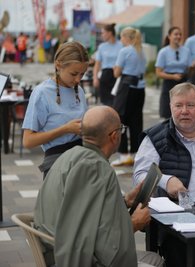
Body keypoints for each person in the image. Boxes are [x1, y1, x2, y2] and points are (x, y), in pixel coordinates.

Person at [34, 106, 164, 267]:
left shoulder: (68, 155)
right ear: (115, 136)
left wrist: (124, 201)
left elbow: (85, 211)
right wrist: (134, 223)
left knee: (152, 258)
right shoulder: (96, 168)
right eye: (121, 129)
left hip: (55, 248)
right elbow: (103, 245)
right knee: (157, 261)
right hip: (75, 258)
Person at [22, 41, 89, 178]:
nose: (78, 79)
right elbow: (28, 141)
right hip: (57, 164)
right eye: (74, 73)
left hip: (82, 159)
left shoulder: (79, 91)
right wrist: (65, 129)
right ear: (58, 65)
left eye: (82, 74)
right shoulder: (42, 93)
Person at [112, 27, 147, 166]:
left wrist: (116, 69)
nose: (121, 40)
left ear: (127, 38)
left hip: (126, 88)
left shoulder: (125, 51)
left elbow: (116, 73)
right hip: (140, 88)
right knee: (136, 121)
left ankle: (123, 155)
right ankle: (135, 154)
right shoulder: (141, 51)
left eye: (121, 37)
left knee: (119, 119)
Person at [156, 26, 191, 119]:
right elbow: (158, 73)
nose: (178, 36)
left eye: (180, 34)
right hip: (169, 83)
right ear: (169, 36)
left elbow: (189, 69)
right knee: (168, 113)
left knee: (182, 112)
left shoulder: (186, 51)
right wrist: (173, 77)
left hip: (183, 82)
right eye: (176, 34)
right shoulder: (163, 52)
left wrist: (193, 67)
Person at [93, 23, 123, 106]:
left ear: (109, 33)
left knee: (117, 102)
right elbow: (97, 64)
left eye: (103, 33)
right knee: (106, 103)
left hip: (118, 76)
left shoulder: (121, 45)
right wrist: (95, 78)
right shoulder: (102, 47)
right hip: (105, 76)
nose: (102, 35)